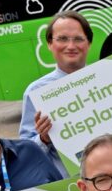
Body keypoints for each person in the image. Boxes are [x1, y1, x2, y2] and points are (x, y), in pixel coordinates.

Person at [21, 11, 94, 171]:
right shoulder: (36, 92)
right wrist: (43, 138)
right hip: (72, 187)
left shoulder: (108, 78)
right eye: (62, 39)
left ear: (88, 43)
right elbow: (24, 151)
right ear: (49, 44)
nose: (71, 46)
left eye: (78, 39)